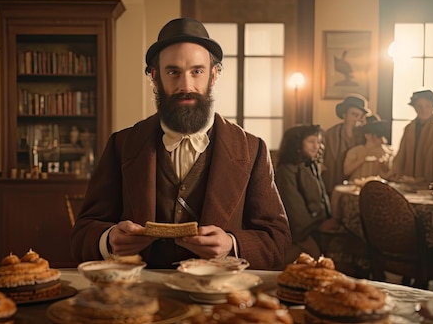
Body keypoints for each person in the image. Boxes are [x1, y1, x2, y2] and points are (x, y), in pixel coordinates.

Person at [70, 18, 291, 270]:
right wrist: (108, 240)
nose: (186, 86)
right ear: (155, 77)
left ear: (214, 75)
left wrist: (231, 245)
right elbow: (82, 233)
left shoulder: (253, 150)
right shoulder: (121, 145)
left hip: (219, 299)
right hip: (139, 299)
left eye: (197, 71)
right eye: (173, 72)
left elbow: (278, 241)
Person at [274, 124, 339, 263]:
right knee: (316, 257)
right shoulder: (286, 171)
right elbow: (294, 209)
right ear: (296, 144)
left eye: (319, 142)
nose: (317, 146)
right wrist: (317, 225)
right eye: (311, 141)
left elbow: (321, 199)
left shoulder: (311, 165)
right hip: (301, 232)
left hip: (316, 226)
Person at [390, 89, 433, 183]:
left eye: (428, 106)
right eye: (419, 106)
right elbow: (401, 154)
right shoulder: (409, 129)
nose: (423, 110)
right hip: (409, 179)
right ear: (414, 107)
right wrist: (395, 174)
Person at [322, 94, 369, 194]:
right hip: (332, 182)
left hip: (356, 185)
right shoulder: (331, 134)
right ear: (344, 114)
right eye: (354, 115)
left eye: (360, 116)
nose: (357, 119)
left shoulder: (364, 136)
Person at [343, 114, 392, 180]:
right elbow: (346, 171)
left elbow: (391, 175)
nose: (382, 139)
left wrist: (384, 166)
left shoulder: (387, 153)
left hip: (379, 188)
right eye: (378, 136)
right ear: (367, 135)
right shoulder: (355, 151)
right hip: (356, 187)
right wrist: (362, 159)